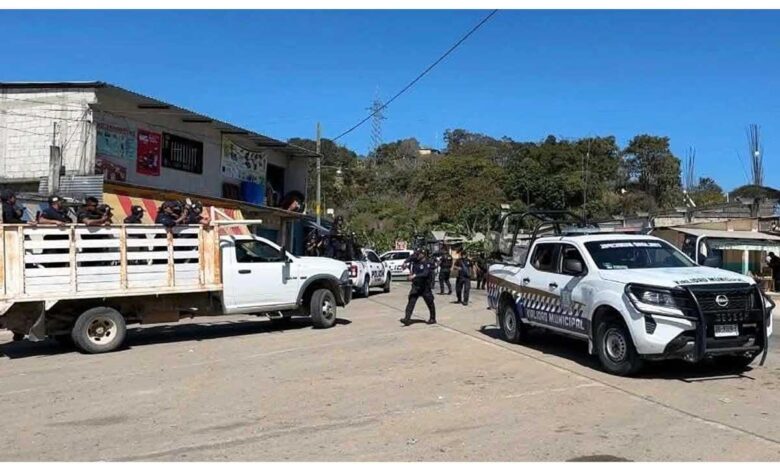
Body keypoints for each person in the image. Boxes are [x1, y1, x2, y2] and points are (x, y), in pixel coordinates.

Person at [402, 249, 436, 326]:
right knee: (411, 301)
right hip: (416, 286)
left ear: (423, 255)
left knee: (430, 302)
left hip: (425, 287)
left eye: (418, 254)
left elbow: (425, 273)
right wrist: (405, 263)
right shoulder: (415, 260)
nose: (416, 255)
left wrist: (414, 276)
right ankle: (407, 318)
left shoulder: (427, 263)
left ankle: (433, 318)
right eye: (416, 254)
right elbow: (410, 258)